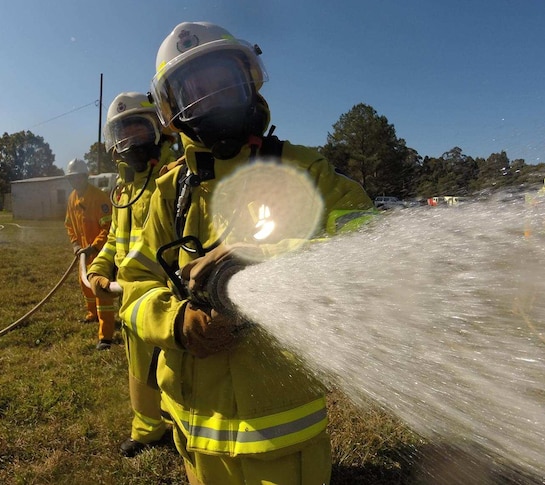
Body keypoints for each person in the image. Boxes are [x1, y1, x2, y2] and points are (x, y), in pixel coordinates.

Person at [117, 22, 376, 485]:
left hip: (283, 426)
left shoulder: (303, 169)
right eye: (196, 91)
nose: (212, 99)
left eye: (223, 83)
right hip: (194, 428)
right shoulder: (166, 192)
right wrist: (176, 322)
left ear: (249, 82)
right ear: (173, 111)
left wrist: (261, 258)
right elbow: (135, 285)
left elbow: (367, 242)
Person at [87, 92, 175, 458]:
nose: (131, 140)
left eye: (139, 128)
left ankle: (182, 430)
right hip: (130, 300)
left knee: (173, 370)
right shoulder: (123, 189)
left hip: (166, 298)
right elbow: (115, 241)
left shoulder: (174, 177)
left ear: (159, 128)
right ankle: (148, 430)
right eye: (123, 133)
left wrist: (124, 280)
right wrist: (98, 268)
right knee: (139, 371)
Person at [64, 158, 116, 350]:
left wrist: (94, 247)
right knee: (85, 286)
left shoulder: (99, 198)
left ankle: (106, 336)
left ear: (85, 176)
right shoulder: (72, 198)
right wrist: (75, 244)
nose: (74, 181)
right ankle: (91, 314)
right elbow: (69, 224)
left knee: (101, 294)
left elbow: (108, 227)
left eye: (77, 177)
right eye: (71, 178)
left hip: (100, 253)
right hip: (83, 253)